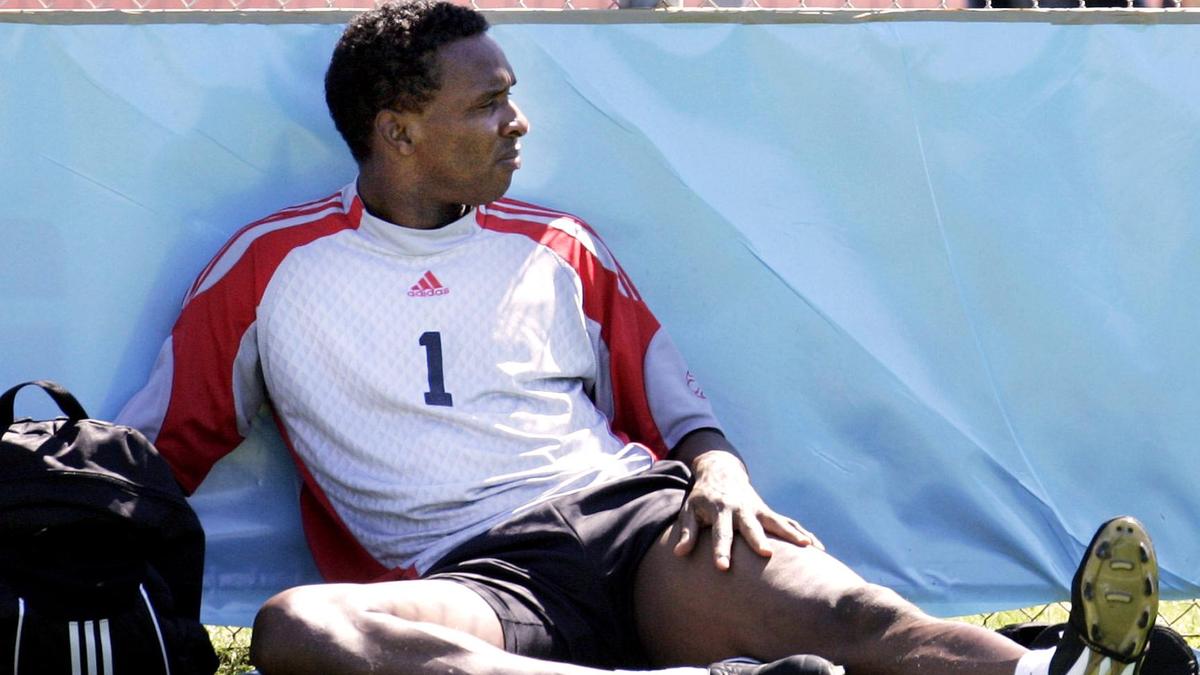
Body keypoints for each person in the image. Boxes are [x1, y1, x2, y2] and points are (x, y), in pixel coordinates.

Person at [116, 2, 1161, 674]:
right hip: (477, 581)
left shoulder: (560, 244)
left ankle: (1056, 671)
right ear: (399, 130)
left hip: (643, 528)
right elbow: (152, 457)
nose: (519, 123)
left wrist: (722, 474)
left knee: (853, 615)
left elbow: (678, 410)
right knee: (300, 629)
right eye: (490, 104)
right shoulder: (271, 267)